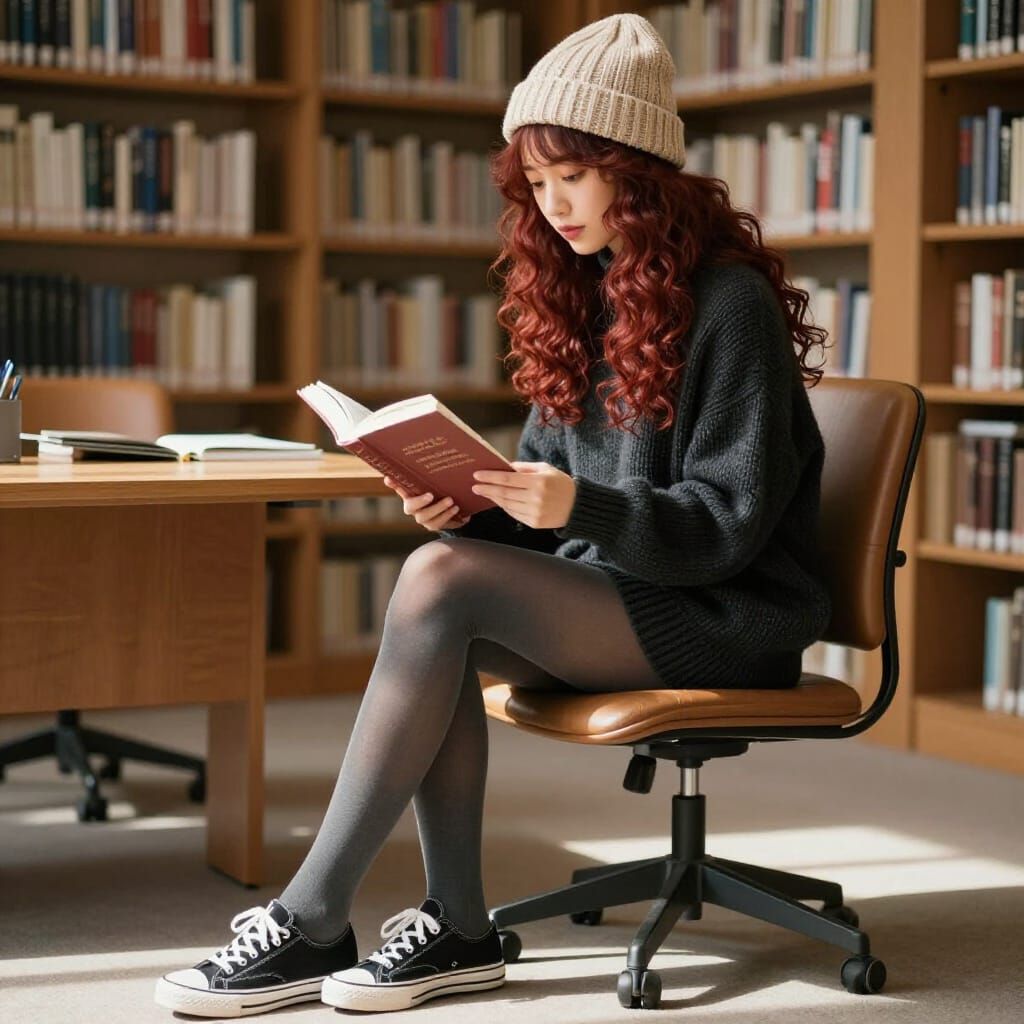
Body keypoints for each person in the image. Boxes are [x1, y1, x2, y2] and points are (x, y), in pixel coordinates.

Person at [154, 12, 832, 1018]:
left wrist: (575, 504)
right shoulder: (586, 296)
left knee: (436, 586)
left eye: (575, 175)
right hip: (628, 590)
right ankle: (458, 926)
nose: (553, 204)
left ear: (637, 172)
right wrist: (469, 509)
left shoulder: (727, 307)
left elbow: (725, 524)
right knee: (444, 589)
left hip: (726, 614)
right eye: (537, 182)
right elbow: (545, 510)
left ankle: (311, 915)